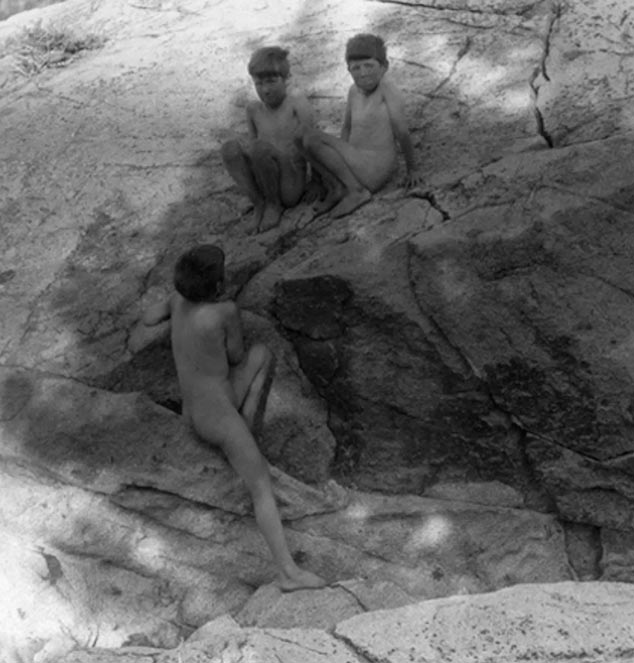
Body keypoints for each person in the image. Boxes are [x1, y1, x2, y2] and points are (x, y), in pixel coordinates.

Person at [142, 244, 327, 591]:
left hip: (192, 410)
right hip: (219, 419)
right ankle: (288, 572)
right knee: (261, 486)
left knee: (262, 354)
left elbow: (150, 317)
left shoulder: (178, 301)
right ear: (216, 286)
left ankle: (243, 432)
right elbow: (236, 353)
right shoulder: (223, 311)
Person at [301, 33, 422, 219]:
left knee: (310, 136)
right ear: (348, 70)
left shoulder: (388, 91)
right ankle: (338, 188)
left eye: (369, 66)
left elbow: (402, 132)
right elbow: (347, 128)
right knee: (301, 138)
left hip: (375, 168)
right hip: (357, 162)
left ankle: (356, 191)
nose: (363, 73)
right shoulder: (353, 92)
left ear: (384, 67)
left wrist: (412, 169)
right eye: (356, 68)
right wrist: (336, 159)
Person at [221, 46, 316, 233]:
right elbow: (251, 145)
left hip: (291, 183)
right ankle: (259, 203)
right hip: (265, 176)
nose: (265, 90)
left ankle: (274, 205)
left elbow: (312, 142)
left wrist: (317, 182)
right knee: (230, 148)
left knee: (260, 148)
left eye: (272, 82)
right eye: (259, 84)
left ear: (287, 79)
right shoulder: (253, 110)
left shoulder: (296, 103)